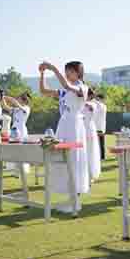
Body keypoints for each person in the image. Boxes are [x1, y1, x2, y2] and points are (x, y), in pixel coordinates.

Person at [39, 61, 90, 210]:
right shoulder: (64, 91)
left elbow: (68, 86)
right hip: (63, 124)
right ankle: (69, 197)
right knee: (61, 159)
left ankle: (75, 198)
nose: (67, 74)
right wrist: (42, 74)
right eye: (66, 71)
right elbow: (44, 91)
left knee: (74, 158)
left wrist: (53, 68)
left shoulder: (82, 88)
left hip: (75, 125)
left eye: (71, 71)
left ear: (78, 73)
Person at [2, 92, 32, 174]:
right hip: (14, 130)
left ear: (24, 100)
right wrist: (3, 98)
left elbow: (15, 103)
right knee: (13, 149)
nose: (17, 100)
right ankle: (14, 170)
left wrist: (10, 98)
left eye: (19, 99)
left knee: (21, 149)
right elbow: (5, 107)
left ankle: (23, 170)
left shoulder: (26, 108)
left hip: (21, 130)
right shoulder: (16, 109)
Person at [83, 88, 102, 182]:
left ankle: (90, 175)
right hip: (81, 128)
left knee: (90, 152)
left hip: (89, 129)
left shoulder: (93, 104)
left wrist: (82, 100)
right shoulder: (81, 103)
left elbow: (90, 108)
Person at [94, 94, 107, 160]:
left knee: (100, 143)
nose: (97, 100)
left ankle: (102, 156)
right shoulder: (98, 106)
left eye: (98, 99)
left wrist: (93, 96)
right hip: (98, 126)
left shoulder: (103, 106)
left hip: (99, 127)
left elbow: (96, 102)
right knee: (99, 142)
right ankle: (101, 156)